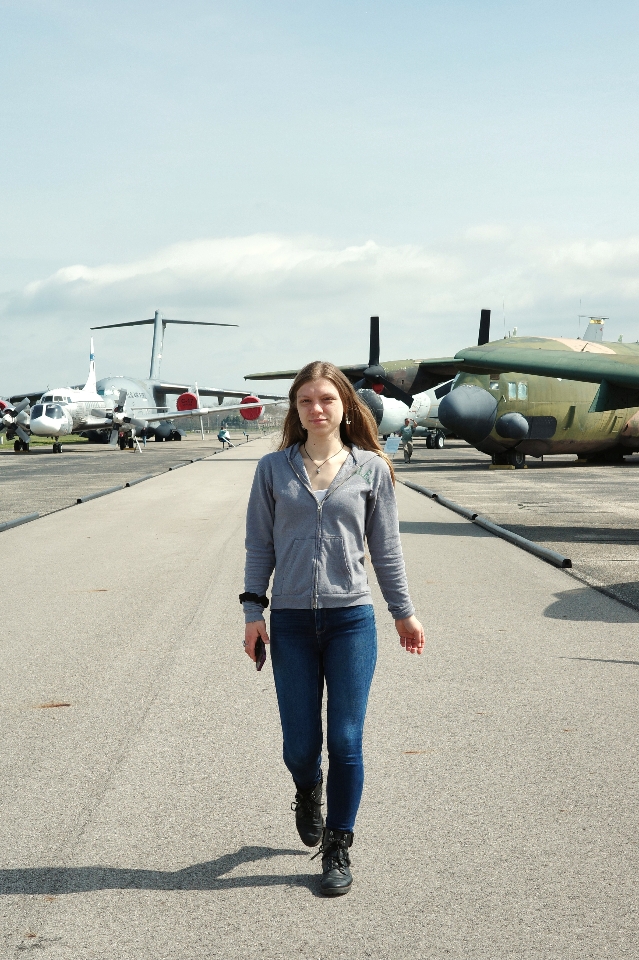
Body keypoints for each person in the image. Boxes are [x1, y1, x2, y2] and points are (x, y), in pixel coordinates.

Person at [242, 361, 424, 897]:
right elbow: (259, 546)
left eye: (326, 399)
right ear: (295, 410)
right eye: (305, 401)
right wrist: (253, 613)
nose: (316, 408)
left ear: (345, 406)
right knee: (300, 747)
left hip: (351, 621)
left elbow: (386, 548)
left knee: (345, 739)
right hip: (291, 622)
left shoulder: (370, 469)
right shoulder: (273, 470)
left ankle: (338, 844)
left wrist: (403, 611)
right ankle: (308, 789)